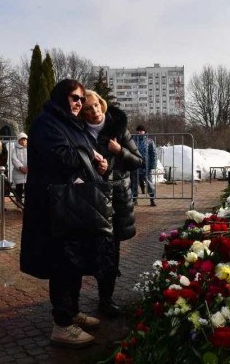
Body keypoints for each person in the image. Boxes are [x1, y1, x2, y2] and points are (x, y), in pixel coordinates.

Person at [20, 79, 114, 349]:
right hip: (54, 206)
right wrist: (91, 155)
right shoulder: (46, 122)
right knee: (61, 264)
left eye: (81, 99)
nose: (78, 103)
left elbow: (83, 157)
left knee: (74, 261)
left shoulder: (72, 124)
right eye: (74, 98)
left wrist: (101, 164)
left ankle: (71, 313)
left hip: (73, 204)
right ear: (62, 97)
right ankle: (62, 324)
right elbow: (61, 157)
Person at [81, 90, 143, 318]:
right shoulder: (80, 131)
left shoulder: (118, 128)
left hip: (115, 199)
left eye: (95, 105)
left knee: (111, 249)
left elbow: (138, 161)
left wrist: (120, 151)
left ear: (102, 104)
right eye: (87, 108)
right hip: (90, 198)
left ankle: (105, 300)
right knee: (89, 248)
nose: (93, 111)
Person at [131, 125, 157, 206]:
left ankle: (152, 199)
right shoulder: (132, 141)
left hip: (146, 166)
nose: (139, 132)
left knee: (149, 183)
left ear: (144, 132)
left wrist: (153, 164)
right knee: (134, 184)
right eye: (138, 130)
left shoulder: (149, 141)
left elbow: (153, 154)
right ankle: (134, 199)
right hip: (135, 166)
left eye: (141, 130)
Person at [10, 132, 28, 205]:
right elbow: (14, 159)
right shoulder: (15, 149)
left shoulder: (29, 149)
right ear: (18, 140)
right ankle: (19, 203)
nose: (23, 141)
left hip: (27, 172)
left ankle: (27, 203)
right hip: (19, 172)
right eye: (21, 140)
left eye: (24, 140)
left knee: (28, 189)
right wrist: (21, 167)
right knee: (19, 189)